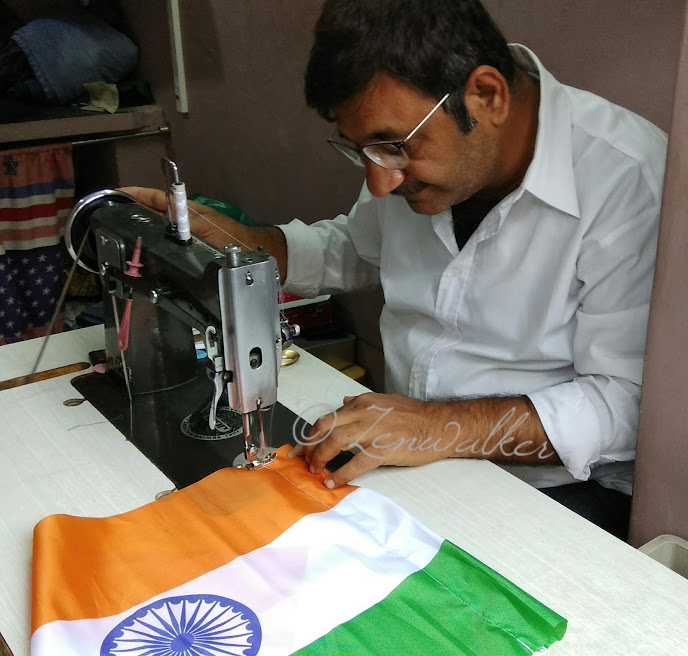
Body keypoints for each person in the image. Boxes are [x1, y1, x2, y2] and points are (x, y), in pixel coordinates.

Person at [124, 0, 667, 538]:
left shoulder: (628, 179)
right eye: (360, 150)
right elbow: (360, 249)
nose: (380, 183)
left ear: (487, 96)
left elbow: (628, 406)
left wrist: (438, 428)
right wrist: (251, 244)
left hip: (556, 493)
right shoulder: (411, 155)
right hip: (407, 457)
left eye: (393, 147)